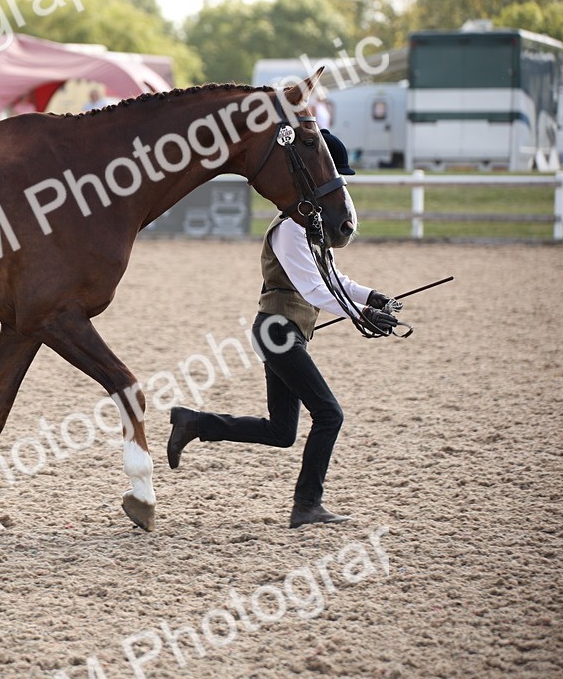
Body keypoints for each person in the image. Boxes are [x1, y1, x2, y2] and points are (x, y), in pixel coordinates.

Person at [167, 129, 403, 529]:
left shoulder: (309, 230)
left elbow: (333, 278)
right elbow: (312, 288)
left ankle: (194, 423)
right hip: (278, 331)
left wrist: (372, 297)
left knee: (281, 432)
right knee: (329, 415)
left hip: (286, 332)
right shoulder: (290, 229)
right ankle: (307, 505)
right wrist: (359, 314)